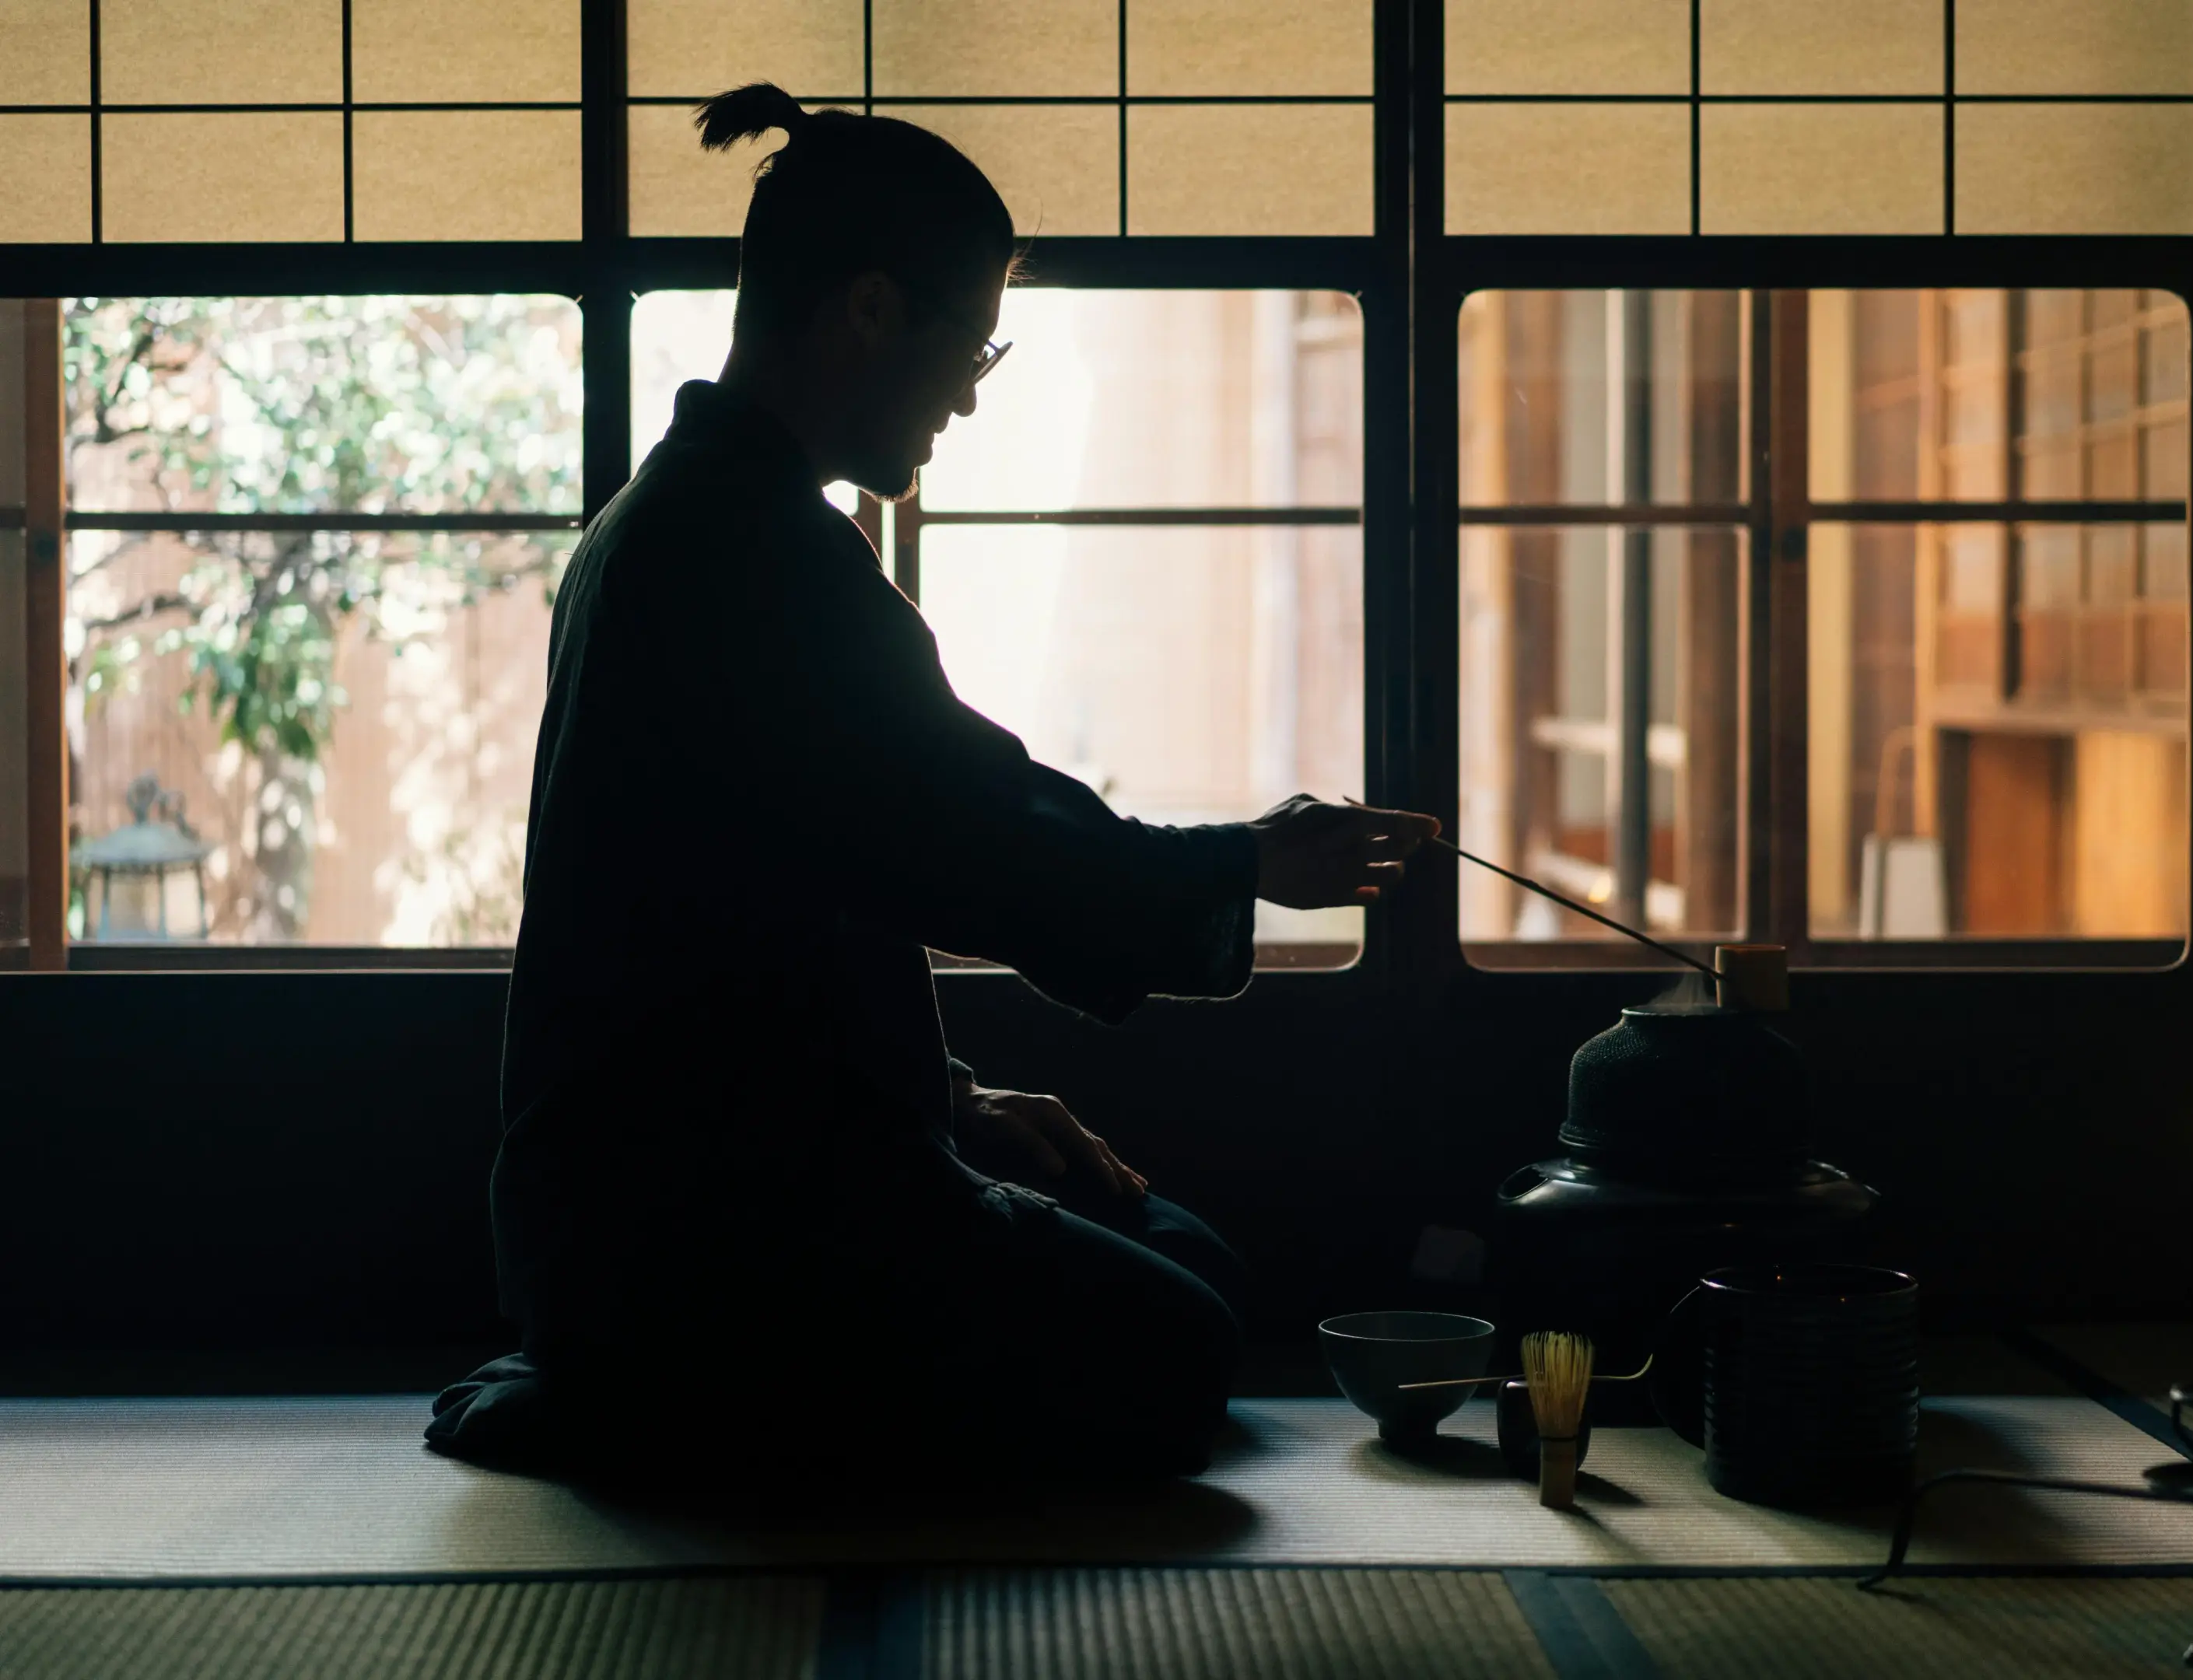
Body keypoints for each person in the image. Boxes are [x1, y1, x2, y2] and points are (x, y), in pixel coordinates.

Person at [425, 84, 1437, 1494]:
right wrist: (1242, 862)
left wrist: (946, 1099)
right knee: (1182, 1345)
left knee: (1172, 1246)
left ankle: (638, 1386)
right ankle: (643, 1402)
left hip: (661, 1192)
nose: (970, 390)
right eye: (973, 346)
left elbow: (774, 908)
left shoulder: (683, 523)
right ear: (866, 311)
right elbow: (976, 831)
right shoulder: (754, 557)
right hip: (718, 1229)